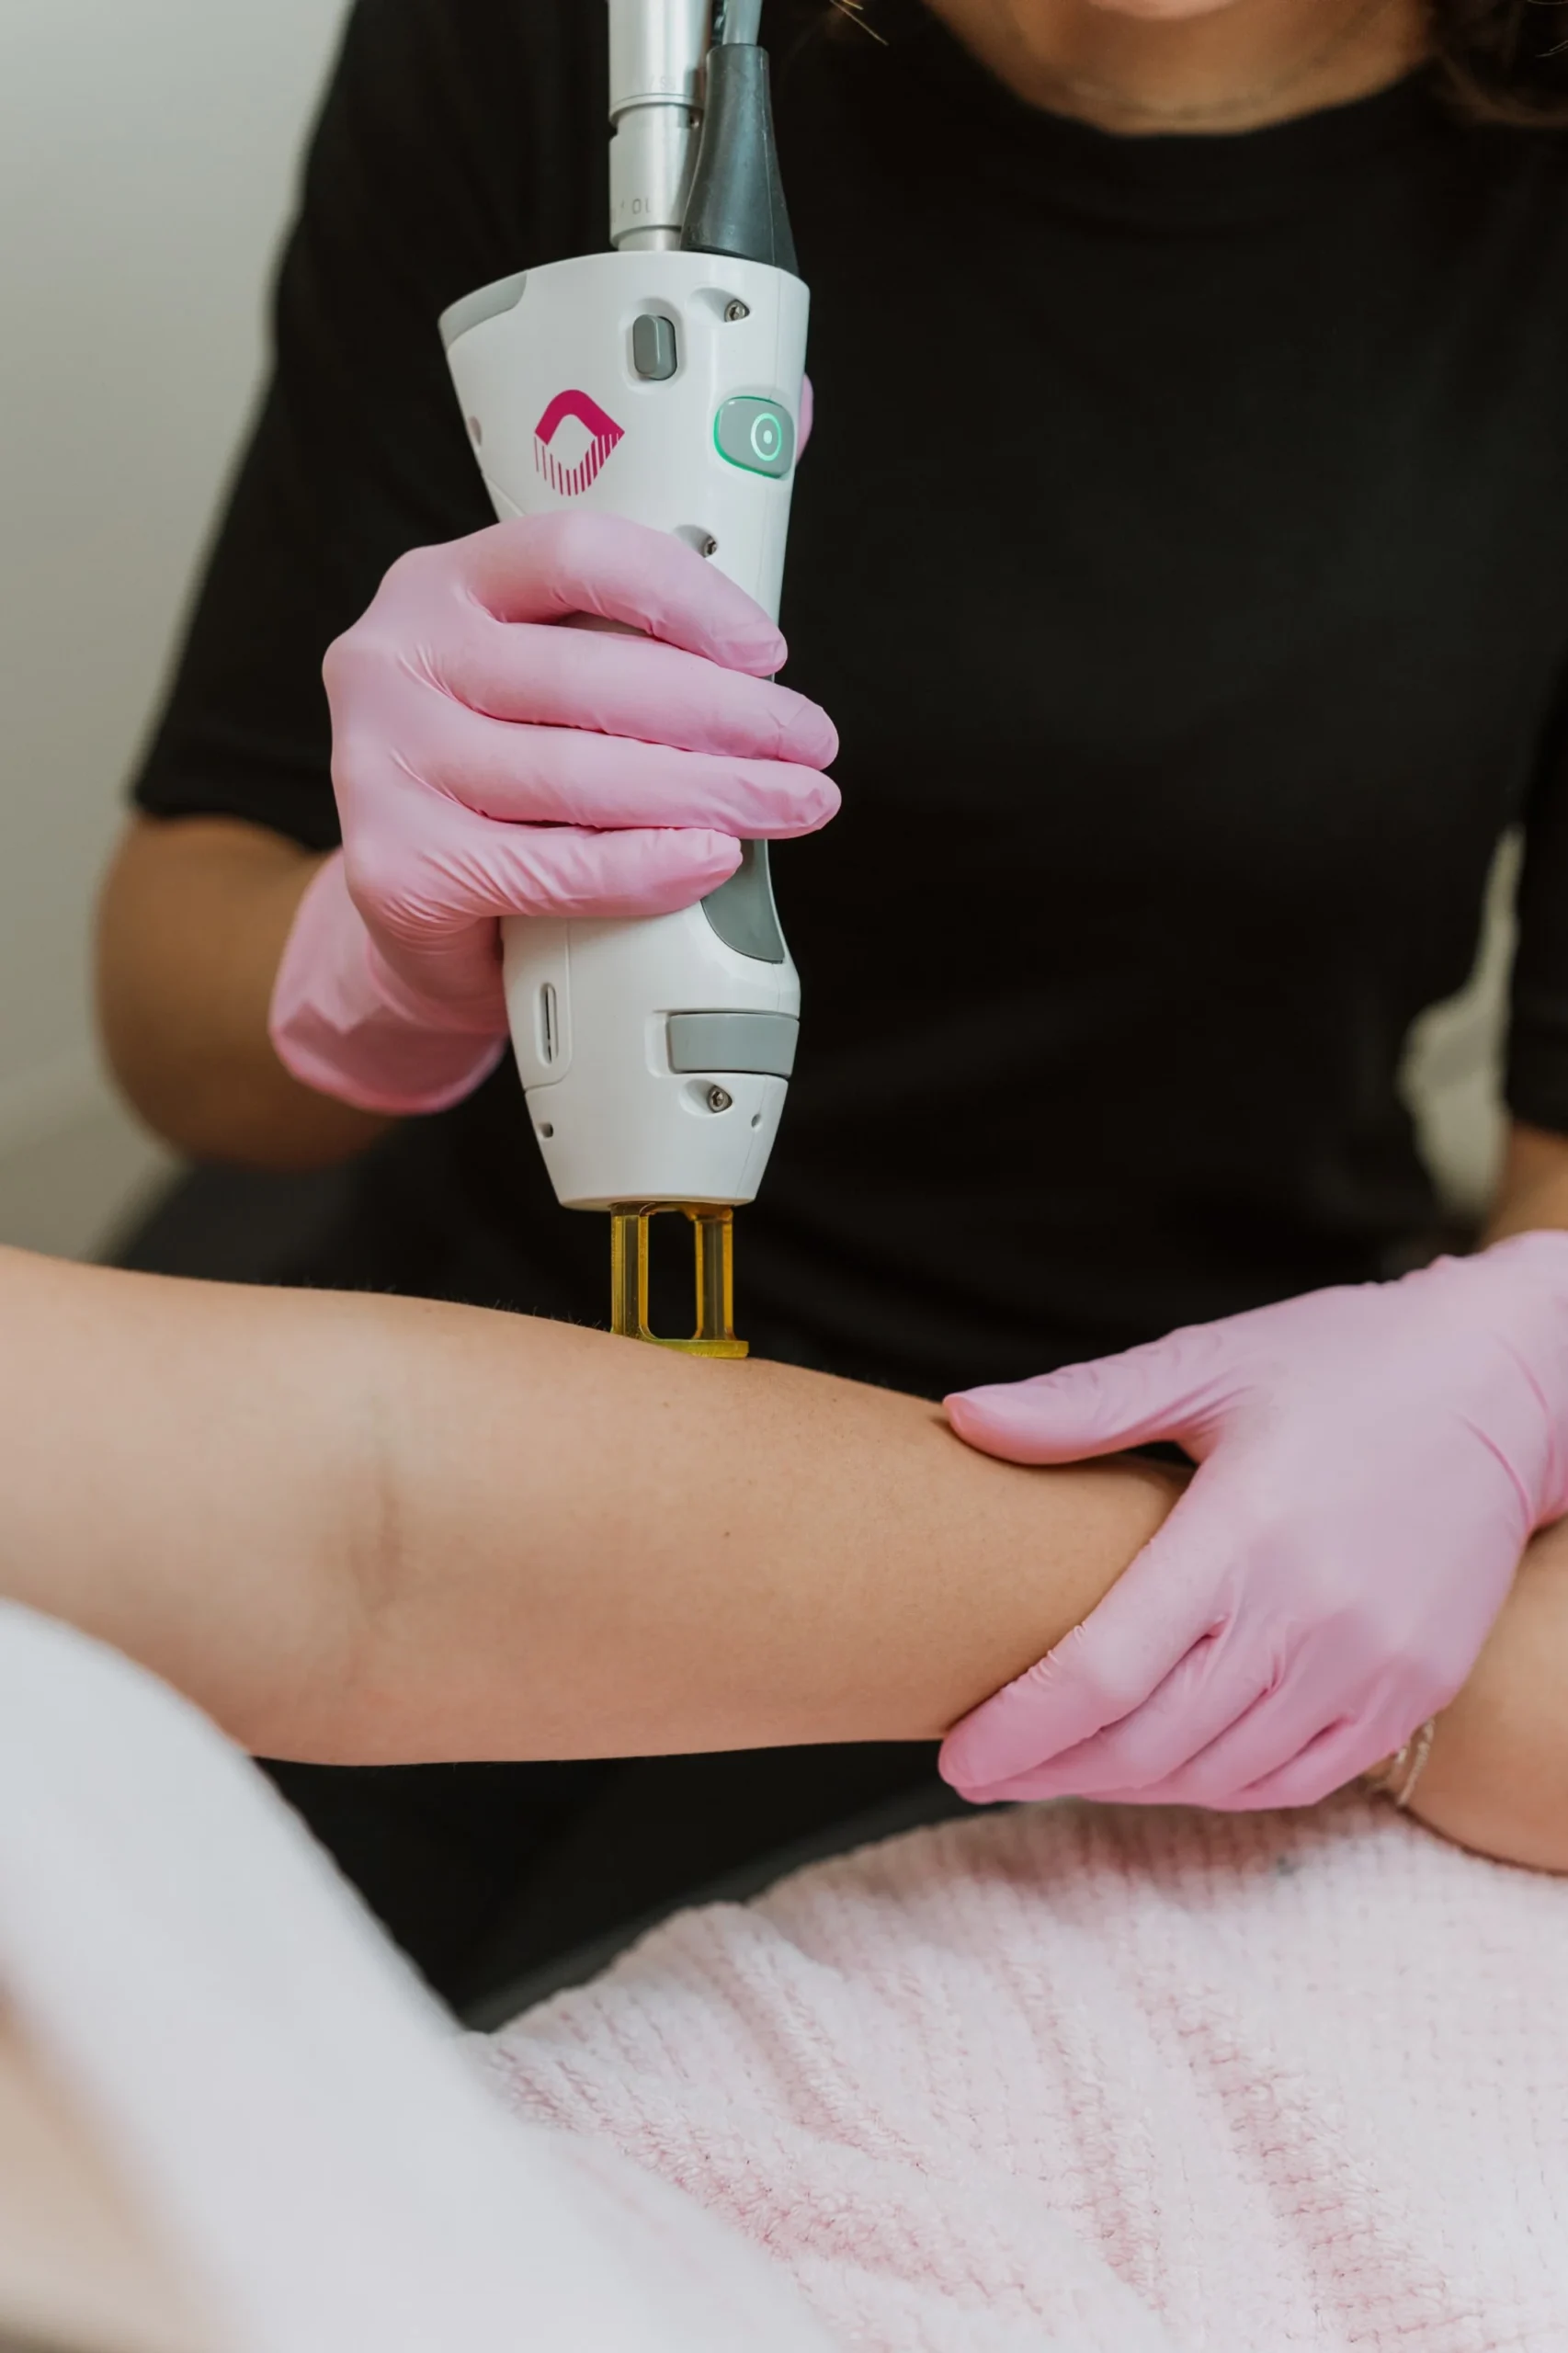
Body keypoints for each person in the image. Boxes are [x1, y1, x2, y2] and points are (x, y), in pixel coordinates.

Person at [94, 0, 1568, 1986]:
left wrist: (1506, 1377)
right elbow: (179, 1004)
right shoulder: (578, 44)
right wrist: (362, 958)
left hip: (1141, 1498)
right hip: (477, 1361)